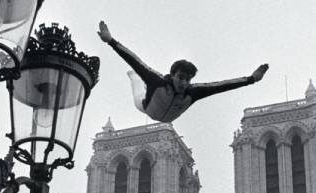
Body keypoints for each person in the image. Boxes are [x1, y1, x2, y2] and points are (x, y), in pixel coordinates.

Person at [97, 21, 268, 124]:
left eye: (187, 79)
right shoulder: (156, 81)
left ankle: (136, 79)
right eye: (180, 78)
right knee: (137, 82)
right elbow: (135, 60)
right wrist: (111, 41)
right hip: (147, 107)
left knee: (208, 88)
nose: (184, 83)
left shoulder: (193, 92)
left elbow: (221, 86)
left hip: (168, 118)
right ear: (172, 75)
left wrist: (251, 79)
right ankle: (134, 78)